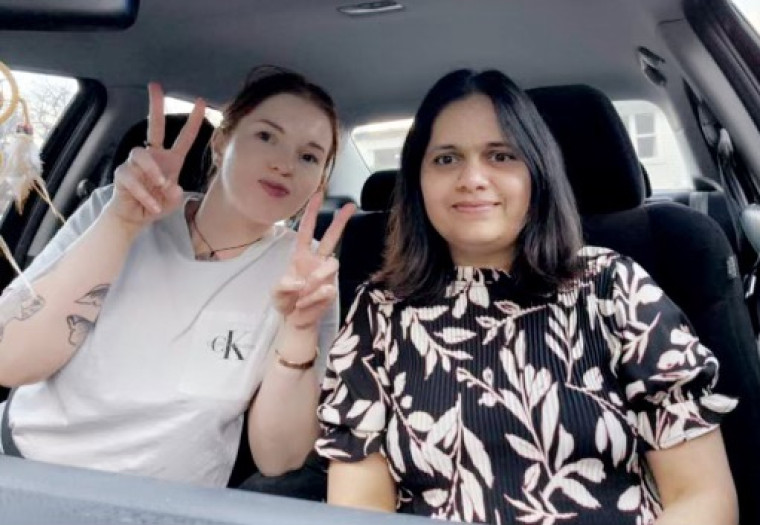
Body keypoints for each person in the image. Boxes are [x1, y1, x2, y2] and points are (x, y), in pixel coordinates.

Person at [315, 69, 738, 524]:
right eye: (445, 159)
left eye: (500, 155)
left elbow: (701, 498)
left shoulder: (614, 287)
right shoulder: (380, 312)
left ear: (537, 172)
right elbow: (361, 510)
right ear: (418, 182)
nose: (472, 178)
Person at [0, 65, 355, 488]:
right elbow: (8, 361)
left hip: (165, 506)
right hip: (23, 469)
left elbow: (279, 459)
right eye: (266, 136)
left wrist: (298, 329)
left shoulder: (307, 278)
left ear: (320, 181)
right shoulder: (112, 209)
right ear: (222, 142)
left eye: (309, 156)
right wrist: (122, 223)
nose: (284, 164)